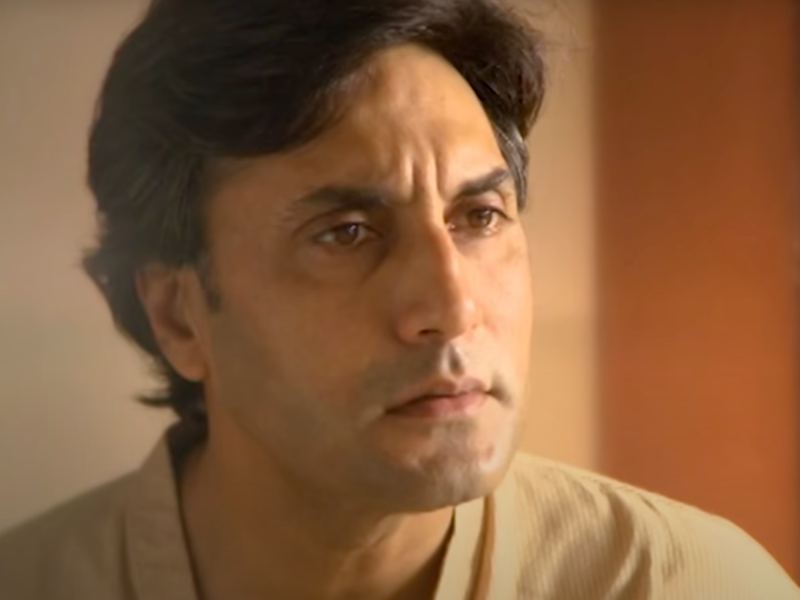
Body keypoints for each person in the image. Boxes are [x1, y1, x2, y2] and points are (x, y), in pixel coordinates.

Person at [0, 0, 798, 598]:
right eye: (347, 233)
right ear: (179, 316)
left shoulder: (682, 584)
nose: (453, 308)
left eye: (480, 216)